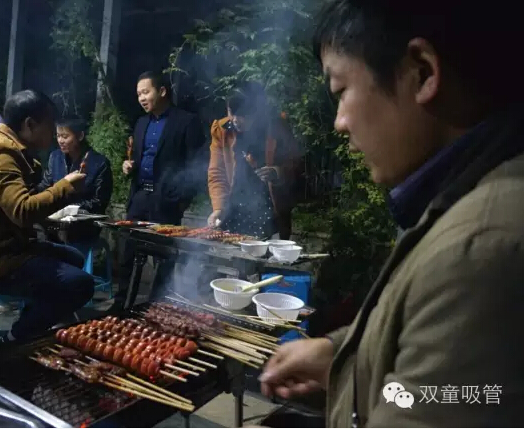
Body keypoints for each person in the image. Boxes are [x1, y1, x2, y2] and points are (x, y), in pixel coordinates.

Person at [259, 1, 524, 426]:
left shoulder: (479, 249)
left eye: (341, 91)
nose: (339, 122)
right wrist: (342, 354)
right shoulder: (463, 198)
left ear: (422, 72)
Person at [0, 90, 94, 342]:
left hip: (10, 248)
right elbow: (22, 211)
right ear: (30, 124)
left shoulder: (14, 150)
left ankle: (35, 321)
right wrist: (65, 187)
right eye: (50, 126)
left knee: (73, 257)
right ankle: (14, 338)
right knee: (80, 283)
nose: (54, 134)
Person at [115, 70, 207, 309]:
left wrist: (182, 199)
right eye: (138, 94)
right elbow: (140, 157)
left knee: (163, 257)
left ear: (162, 91)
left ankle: (155, 307)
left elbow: (197, 164)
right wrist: (129, 166)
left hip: (166, 199)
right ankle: (121, 303)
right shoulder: (141, 123)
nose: (141, 98)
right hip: (139, 196)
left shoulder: (186, 121)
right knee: (127, 252)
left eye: (146, 92)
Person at [207, 82, 302, 239]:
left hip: (270, 210)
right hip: (234, 208)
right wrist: (219, 208)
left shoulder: (276, 127)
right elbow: (217, 172)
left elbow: (296, 163)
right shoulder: (222, 129)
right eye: (232, 112)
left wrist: (277, 172)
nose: (235, 119)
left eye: (242, 114)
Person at [38, 116, 113, 214]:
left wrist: (68, 208)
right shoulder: (55, 157)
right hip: (56, 217)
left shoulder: (99, 163)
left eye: (65, 137)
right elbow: (45, 186)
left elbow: (99, 202)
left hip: (84, 219)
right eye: (58, 136)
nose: (60, 140)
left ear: (80, 136)